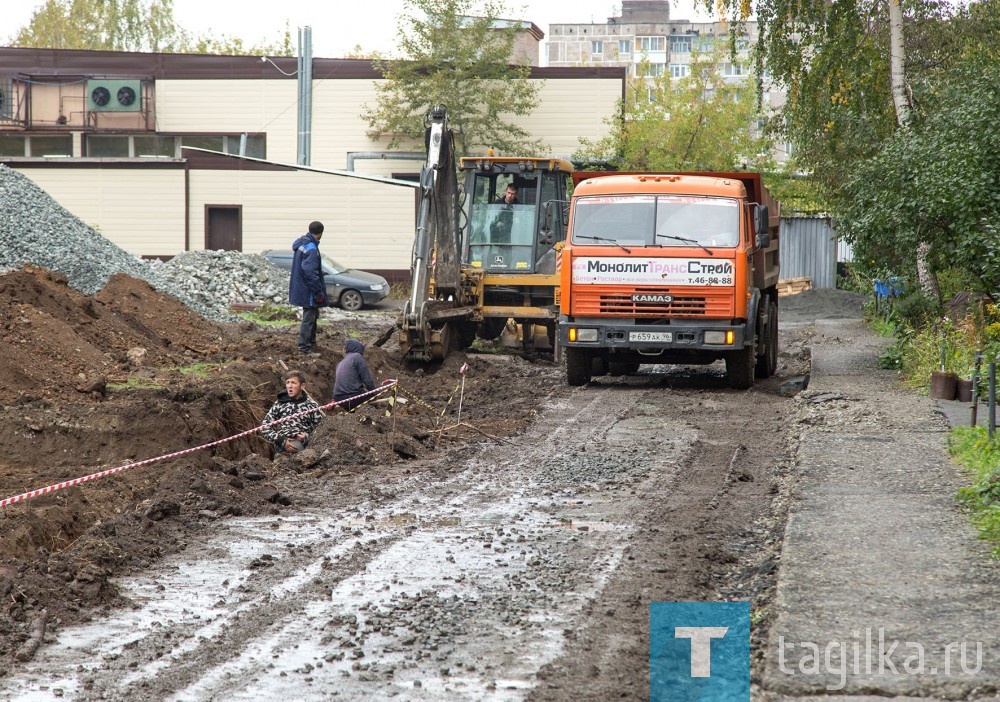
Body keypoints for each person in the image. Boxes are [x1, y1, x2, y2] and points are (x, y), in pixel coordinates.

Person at [260, 370, 324, 454]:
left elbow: (321, 429)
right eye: (287, 383)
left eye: (293, 383)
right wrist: (280, 440)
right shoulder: (279, 404)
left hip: (305, 449)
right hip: (281, 447)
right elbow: (264, 427)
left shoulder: (312, 406)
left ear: (302, 386)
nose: (290, 386)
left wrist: (306, 437)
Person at [289, 221, 328, 355]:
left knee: (313, 315)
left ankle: (311, 343)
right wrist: (318, 292)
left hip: (302, 288)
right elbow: (310, 273)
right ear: (321, 233)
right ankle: (304, 349)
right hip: (308, 291)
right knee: (309, 318)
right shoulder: (311, 247)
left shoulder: (303, 243)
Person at [333, 339, 377, 412]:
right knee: (372, 402)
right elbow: (367, 380)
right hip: (352, 396)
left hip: (338, 398)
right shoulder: (357, 357)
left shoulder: (340, 363)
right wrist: (374, 393)